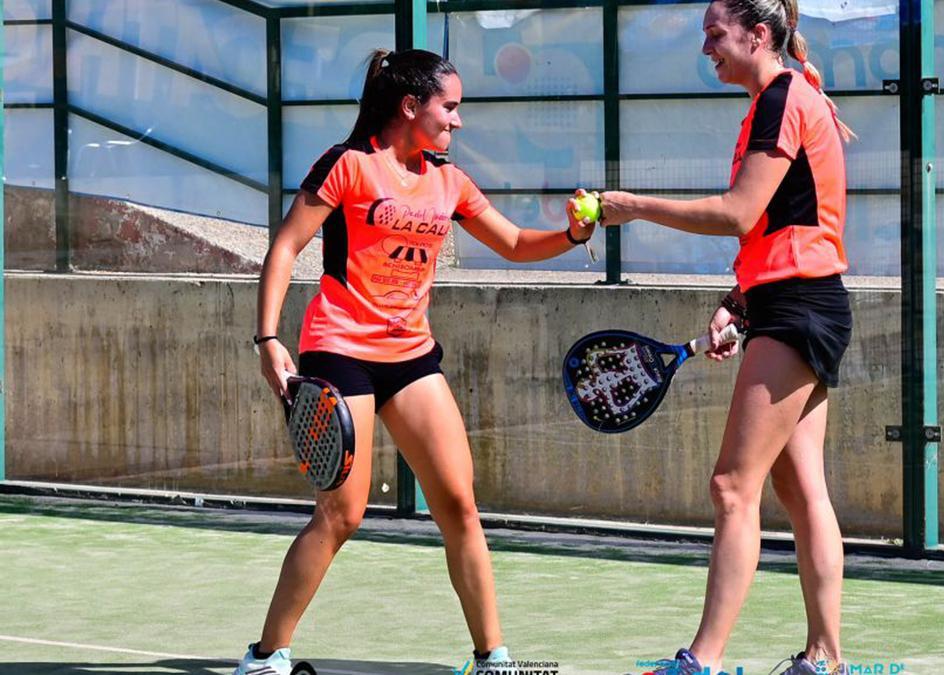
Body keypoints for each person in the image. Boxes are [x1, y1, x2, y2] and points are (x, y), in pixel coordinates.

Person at [234, 48, 596, 675]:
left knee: (458, 503)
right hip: (340, 349)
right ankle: (265, 658)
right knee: (342, 514)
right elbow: (286, 246)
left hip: (411, 356)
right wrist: (268, 341)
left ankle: (494, 660)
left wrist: (571, 236)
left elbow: (511, 242)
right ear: (411, 106)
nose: (457, 122)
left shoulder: (448, 180)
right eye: (449, 108)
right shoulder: (348, 167)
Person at [594, 2, 854, 673]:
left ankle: (700, 661)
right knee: (801, 492)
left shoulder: (782, 99)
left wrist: (632, 206)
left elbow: (740, 211)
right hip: (796, 302)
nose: (706, 47)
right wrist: (737, 305)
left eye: (716, 34)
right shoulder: (782, 99)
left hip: (800, 307)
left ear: (757, 34)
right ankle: (825, 658)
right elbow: (783, 222)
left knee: (732, 488)